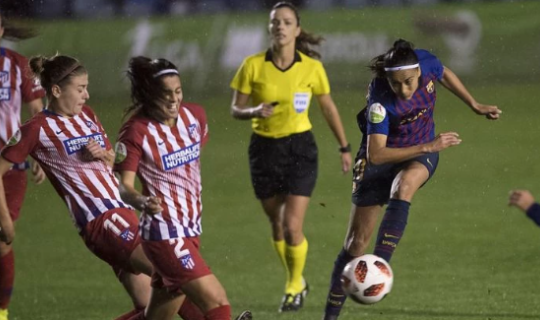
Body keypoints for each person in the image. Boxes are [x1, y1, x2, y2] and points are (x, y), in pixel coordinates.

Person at [321, 39, 502, 320]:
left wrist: (474, 104)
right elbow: (377, 155)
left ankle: (381, 265)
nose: (403, 89)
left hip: (418, 155)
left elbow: (444, 72)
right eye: (396, 84)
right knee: (355, 245)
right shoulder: (380, 101)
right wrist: (428, 146)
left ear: (418, 71)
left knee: (403, 186)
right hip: (382, 159)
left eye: (408, 82)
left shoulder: (426, 62)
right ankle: (329, 317)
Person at [0, 54, 155, 320]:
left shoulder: (88, 116)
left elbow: (115, 159)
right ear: (57, 90)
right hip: (102, 220)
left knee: (151, 307)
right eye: (81, 88)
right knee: (170, 272)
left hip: (123, 212)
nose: (87, 95)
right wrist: (5, 221)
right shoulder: (37, 129)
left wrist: (103, 155)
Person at [229, 1, 352, 312]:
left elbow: (327, 107)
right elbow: (235, 108)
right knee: (276, 223)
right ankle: (295, 278)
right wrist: (254, 110)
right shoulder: (252, 65)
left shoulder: (311, 68)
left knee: (291, 226)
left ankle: (294, 286)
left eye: (286, 22)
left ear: (297, 29)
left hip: (300, 149)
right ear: (270, 29)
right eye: (275, 22)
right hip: (264, 149)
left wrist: (344, 147)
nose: (280, 27)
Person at [114, 56, 251, 320]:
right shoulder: (136, 131)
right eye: (165, 94)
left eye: (178, 91)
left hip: (191, 228)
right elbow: (124, 188)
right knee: (217, 302)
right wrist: (142, 202)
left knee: (157, 316)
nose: (173, 99)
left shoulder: (195, 116)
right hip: (163, 232)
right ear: (148, 94)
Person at [0, 11, 45, 320]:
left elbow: (36, 110)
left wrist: (39, 152)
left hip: (10, 167)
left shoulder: (19, 65)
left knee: (3, 238)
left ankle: (1, 312)